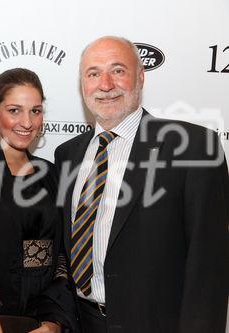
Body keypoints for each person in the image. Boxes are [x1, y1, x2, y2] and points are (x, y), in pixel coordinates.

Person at [54, 36, 229, 333]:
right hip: (83, 323)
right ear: (82, 84)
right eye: (93, 73)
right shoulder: (67, 155)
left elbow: (209, 270)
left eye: (118, 70)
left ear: (141, 77)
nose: (105, 84)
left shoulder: (195, 149)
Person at [0, 68, 79, 333]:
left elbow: (62, 258)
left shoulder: (52, 173)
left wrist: (53, 323)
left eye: (35, 110)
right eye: (14, 110)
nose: (27, 122)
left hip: (40, 321)